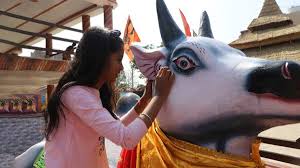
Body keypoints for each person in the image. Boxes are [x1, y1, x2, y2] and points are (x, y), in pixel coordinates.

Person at [44, 27, 175, 168]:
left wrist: (144, 101)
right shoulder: (76, 95)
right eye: (118, 60)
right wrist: (159, 97)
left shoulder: (90, 93)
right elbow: (127, 138)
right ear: (100, 59)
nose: (121, 68)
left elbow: (115, 128)